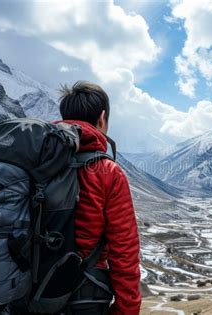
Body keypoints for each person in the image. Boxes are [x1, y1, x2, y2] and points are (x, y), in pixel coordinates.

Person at [58, 81, 141, 315]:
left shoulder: (26, 157)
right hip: (81, 298)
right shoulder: (106, 171)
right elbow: (124, 252)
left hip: (10, 292)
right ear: (102, 118)